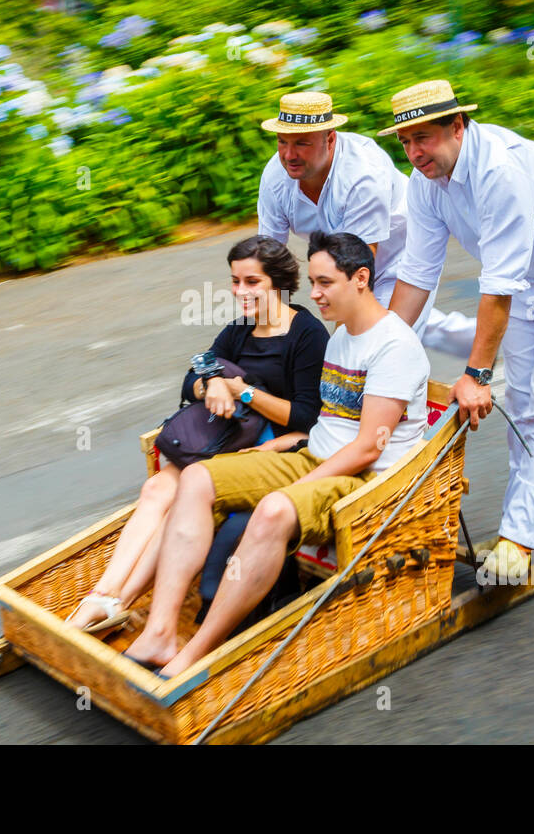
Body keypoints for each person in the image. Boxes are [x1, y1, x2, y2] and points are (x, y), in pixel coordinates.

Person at [126, 232, 430, 676]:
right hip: (314, 455)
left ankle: (196, 654)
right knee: (197, 477)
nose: (314, 294)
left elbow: (367, 447)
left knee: (272, 509)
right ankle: (161, 632)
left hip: (366, 482)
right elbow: (330, 417)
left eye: (325, 283)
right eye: (312, 282)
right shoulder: (344, 335)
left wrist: (302, 481)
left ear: (361, 278)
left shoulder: (394, 346)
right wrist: (295, 441)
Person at [380, 80, 534, 580]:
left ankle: (522, 538)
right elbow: (417, 274)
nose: (412, 152)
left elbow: (497, 288)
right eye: (404, 142)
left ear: (457, 126)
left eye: (422, 138)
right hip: (529, 280)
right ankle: (531, 530)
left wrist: (476, 373)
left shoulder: (498, 169)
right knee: (523, 406)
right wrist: (379, 343)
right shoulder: (424, 181)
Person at [65, 235, 329, 630]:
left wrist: (243, 391)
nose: (240, 291)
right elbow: (194, 376)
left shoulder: (306, 335)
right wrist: (214, 384)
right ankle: (104, 596)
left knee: (180, 499)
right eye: (235, 281)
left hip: (270, 450)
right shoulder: (240, 330)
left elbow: (307, 416)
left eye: (251, 282)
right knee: (155, 491)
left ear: (278, 283)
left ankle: (120, 602)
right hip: (223, 440)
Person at [257, 90, 477, 358]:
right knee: (395, 322)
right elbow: (270, 264)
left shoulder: (363, 173)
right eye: (282, 142)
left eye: (302, 143)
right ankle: (478, 339)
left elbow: (356, 273)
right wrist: (271, 337)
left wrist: (330, 359)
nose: (289, 155)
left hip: (402, 252)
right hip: (342, 259)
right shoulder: (274, 177)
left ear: (329, 139)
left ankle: (482, 349)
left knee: (375, 347)